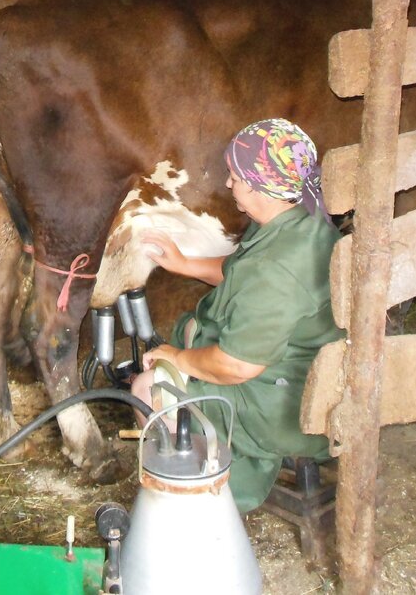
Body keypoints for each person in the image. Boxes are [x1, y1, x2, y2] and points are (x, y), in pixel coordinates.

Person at [131, 117, 344, 514]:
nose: (229, 184)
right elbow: (239, 271)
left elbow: (235, 365)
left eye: (236, 177)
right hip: (293, 374)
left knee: (147, 388)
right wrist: (185, 264)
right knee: (184, 343)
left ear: (263, 186)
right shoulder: (300, 221)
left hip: (281, 408)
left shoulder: (278, 270)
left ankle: (191, 495)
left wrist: (174, 358)